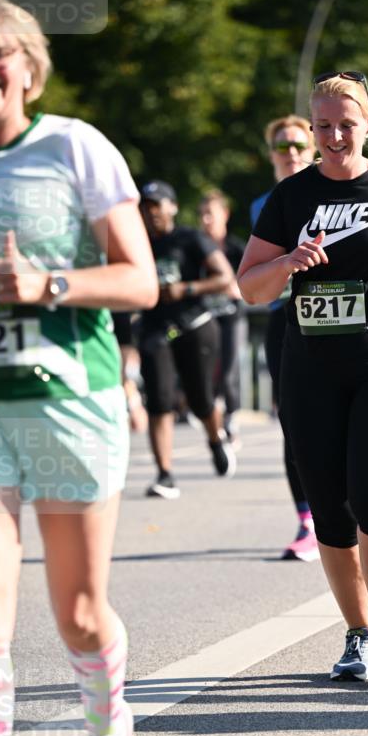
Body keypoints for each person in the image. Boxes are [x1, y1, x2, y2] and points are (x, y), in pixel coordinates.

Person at [0, 0, 158, 736]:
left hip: (70, 403)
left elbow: (140, 281)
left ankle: (109, 733)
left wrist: (48, 286)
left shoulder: (74, 147)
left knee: (76, 615)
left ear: (29, 69)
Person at [238, 71, 368, 684]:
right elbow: (250, 287)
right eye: (324, 126)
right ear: (313, 129)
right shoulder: (291, 196)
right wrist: (287, 261)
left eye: (346, 125)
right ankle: (358, 635)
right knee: (331, 511)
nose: (335, 136)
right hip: (311, 367)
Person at [138, 180, 236, 498]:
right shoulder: (136, 244)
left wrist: (187, 288)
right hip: (155, 329)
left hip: (195, 325)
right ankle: (164, 474)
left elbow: (225, 277)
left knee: (200, 399)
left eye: (157, 205)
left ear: (173, 207)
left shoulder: (189, 238)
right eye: (145, 206)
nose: (151, 212)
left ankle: (215, 439)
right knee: (159, 400)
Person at [251, 115, 320, 561]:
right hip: (284, 318)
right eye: (282, 146)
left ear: (312, 150)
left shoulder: (331, 192)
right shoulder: (262, 205)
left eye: (298, 144)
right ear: (272, 155)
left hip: (334, 318)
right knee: (293, 422)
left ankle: (348, 507)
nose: (291, 152)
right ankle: (307, 521)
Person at [198, 190, 246, 447]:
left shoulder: (236, 248)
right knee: (207, 373)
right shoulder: (196, 247)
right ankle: (213, 423)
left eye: (210, 214)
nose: (206, 220)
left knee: (228, 371)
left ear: (224, 215)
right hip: (205, 318)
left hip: (231, 317)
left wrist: (237, 287)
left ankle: (231, 419)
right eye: (202, 214)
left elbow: (251, 278)